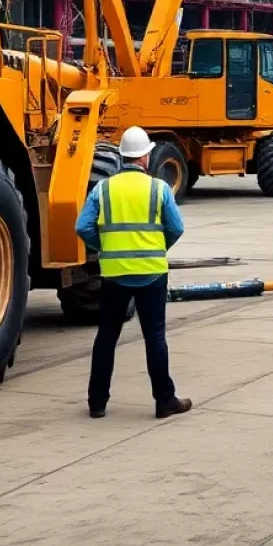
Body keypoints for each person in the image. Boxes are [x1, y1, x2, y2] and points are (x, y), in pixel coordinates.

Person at [75, 126, 193, 420]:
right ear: (146, 156)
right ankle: (164, 401)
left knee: (106, 337)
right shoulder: (159, 188)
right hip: (152, 272)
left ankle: (97, 402)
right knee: (154, 337)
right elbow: (176, 228)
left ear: (122, 156)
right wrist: (157, 247)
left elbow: (82, 227)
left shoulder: (103, 189)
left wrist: (105, 247)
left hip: (114, 273)